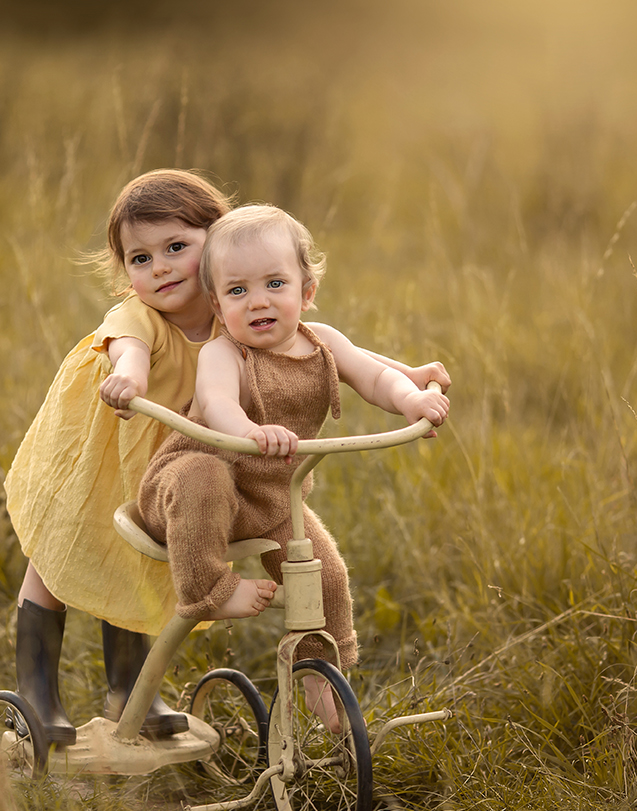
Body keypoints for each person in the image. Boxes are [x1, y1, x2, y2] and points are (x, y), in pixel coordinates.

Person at [5, 172, 449, 745]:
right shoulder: (153, 322)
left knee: (285, 568)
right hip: (116, 446)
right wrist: (131, 379)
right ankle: (38, 694)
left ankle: (143, 692)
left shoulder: (241, 311)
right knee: (60, 550)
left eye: (176, 248)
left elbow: (357, 362)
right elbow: (144, 362)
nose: (160, 268)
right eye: (141, 258)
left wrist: (411, 384)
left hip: (230, 471)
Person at [136, 204, 450, 730]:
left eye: (274, 284)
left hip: (271, 501)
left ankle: (321, 677)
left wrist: (411, 399)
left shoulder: (324, 343)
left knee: (325, 575)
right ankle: (209, 590)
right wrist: (250, 431)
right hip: (187, 490)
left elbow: (376, 377)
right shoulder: (223, 354)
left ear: (306, 291)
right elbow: (216, 403)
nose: (257, 301)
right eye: (237, 291)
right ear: (217, 304)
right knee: (205, 476)